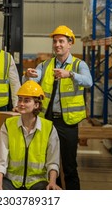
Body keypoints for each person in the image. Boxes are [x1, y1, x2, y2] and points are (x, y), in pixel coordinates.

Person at [23, 25, 93, 190]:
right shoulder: (45, 65)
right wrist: (28, 76)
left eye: (61, 41)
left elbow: (88, 82)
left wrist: (70, 75)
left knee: (69, 166)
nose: (57, 45)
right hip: (47, 121)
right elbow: (33, 84)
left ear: (70, 44)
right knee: (47, 163)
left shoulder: (78, 65)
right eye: (55, 41)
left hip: (67, 123)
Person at [0, 80, 61, 190]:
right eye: (20, 99)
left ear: (36, 104)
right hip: (11, 181)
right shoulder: (8, 125)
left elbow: (53, 161)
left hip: (38, 182)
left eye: (26, 101)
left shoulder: (49, 128)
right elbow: (1, 160)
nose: (21, 104)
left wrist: (52, 182)